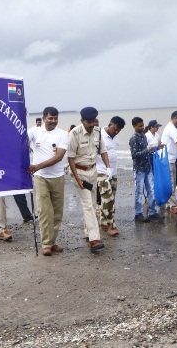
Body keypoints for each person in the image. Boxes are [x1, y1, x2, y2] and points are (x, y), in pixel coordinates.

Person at [67, 106, 110, 252]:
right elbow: (70, 157)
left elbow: (103, 150)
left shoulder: (98, 131)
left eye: (94, 121)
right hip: (80, 172)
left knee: (92, 203)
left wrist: (108, 167)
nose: (92, 124)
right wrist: (77, 178)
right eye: (89, 122)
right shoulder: (75, 133)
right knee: (87, 204)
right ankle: (94, 239)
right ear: (82, 121)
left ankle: (87, 231)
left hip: (93, 171)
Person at [27, 107, 68, 256]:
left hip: (57, 177)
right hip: (41, 178)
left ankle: (52, 241)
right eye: (50, 118)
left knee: (57, 212)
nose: (53, 121)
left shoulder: (62, 134)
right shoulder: (34, 132)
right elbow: (20, 139)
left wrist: (37, 166)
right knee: (44, 211)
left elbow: (58, 157)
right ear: (44, 118)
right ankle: (46, 243)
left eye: (55, 118)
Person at [130, 117, 164, 222]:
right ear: (134, 126)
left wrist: (156, 148)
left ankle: (152, 212)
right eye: (139, 126)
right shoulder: (133, 138)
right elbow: (134, 155)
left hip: (147, 167)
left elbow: (147, 151)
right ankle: (138, 213)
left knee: (151, 190)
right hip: (139, 169)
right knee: (139, 192)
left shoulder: (144, 137)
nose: (142, 127)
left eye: (142, 125)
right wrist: (147, 150)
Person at [95, 116, 125, 236]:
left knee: (110, 198)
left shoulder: (116, 137)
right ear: (110, 124)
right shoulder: (99, 135)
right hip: (101, 171)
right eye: (115, 129)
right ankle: (111, 225)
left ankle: (103, 222)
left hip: (113, 172)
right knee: (109, 199)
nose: (116, 132)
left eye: (119, 130)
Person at [160, 111, 177, 213]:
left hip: (170, 159)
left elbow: (175, 146)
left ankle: (169, 204)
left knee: (172, 182)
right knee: (170, 183)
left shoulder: (170, 128)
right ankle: (173, 205)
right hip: (168, 160)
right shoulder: (171, 129)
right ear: (175, 118)